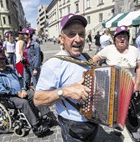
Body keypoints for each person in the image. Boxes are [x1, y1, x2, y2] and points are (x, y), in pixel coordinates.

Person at [33, 13, 99, 142]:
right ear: (61, 39)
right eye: (71, 34)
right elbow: (37, 100)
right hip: (74, 124)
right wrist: (65, 91)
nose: (78, 39)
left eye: (81, 34)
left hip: (94, 119)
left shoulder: (86, 57)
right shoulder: (53, 64)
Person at [92, 25, 140, 141]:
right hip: (112, 87)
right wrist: (100, 73)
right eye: (119, 36)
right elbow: (94, 60)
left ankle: (134, 128)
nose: (122, 38)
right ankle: (117, 127)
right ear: (115, 38)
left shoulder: (134, 50)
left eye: (124, 36)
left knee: (131, 109)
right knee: (115, 108)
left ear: (128, 38)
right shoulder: (109, 49)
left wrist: (138, 83)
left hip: (130, 85)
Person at [0, 54, 50, 137]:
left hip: (21, 91)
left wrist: (23, 89)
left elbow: (21, 79)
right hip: (8, 97)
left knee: (36, 94)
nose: (1, 65)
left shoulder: (11, 68)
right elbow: (1, 89)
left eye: (2, 62)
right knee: (24, 102)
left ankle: (45, 116)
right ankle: (36, 126)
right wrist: (17, 93)